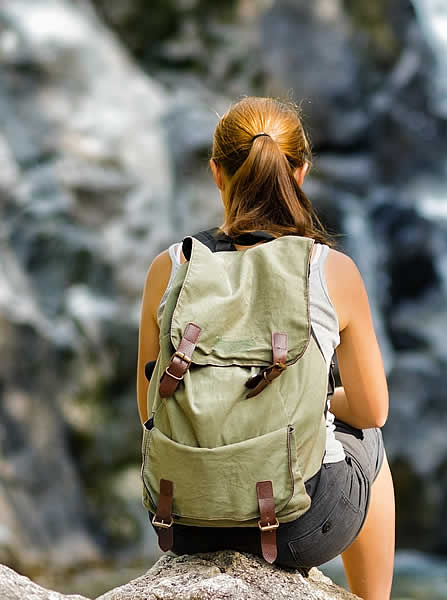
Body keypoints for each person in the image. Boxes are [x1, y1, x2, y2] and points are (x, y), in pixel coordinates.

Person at [135, 97, 394, 600]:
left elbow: (148, 406)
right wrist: (321, 399)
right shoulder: (329, 269)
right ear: (300, 173)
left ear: (216, 173)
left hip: (184, 518)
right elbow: (372, 408)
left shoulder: (171, 268)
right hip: (295, 526)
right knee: (369, 440)